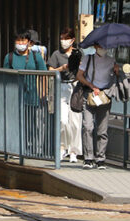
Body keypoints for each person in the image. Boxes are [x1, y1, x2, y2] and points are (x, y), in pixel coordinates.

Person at [76, 44, 120, 169]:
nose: (103, 48)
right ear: (95, 46)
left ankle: (101, 159)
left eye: (104, 45)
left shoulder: (111, 60)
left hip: (104, 96)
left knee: (102, 129)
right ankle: (88, 158)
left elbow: (117, 78)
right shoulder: (88, 58)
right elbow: (79, 75)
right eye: (100, 45)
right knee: (88, 127)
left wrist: (117, 71)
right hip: (89, 94)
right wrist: (91, 85)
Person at [47, 27, 82, 163]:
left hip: (75, 87)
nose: (63, 41)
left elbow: (84, 71)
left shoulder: (78, 54)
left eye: (66, 38)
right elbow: (50, 71)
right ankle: (62, 147)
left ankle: (74, 151)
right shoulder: (56, 54)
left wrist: (77, 66)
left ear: (72, 40)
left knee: (75, 122)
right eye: (62, 38)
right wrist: (60, 69)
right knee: (63, 120)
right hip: (61, 87)